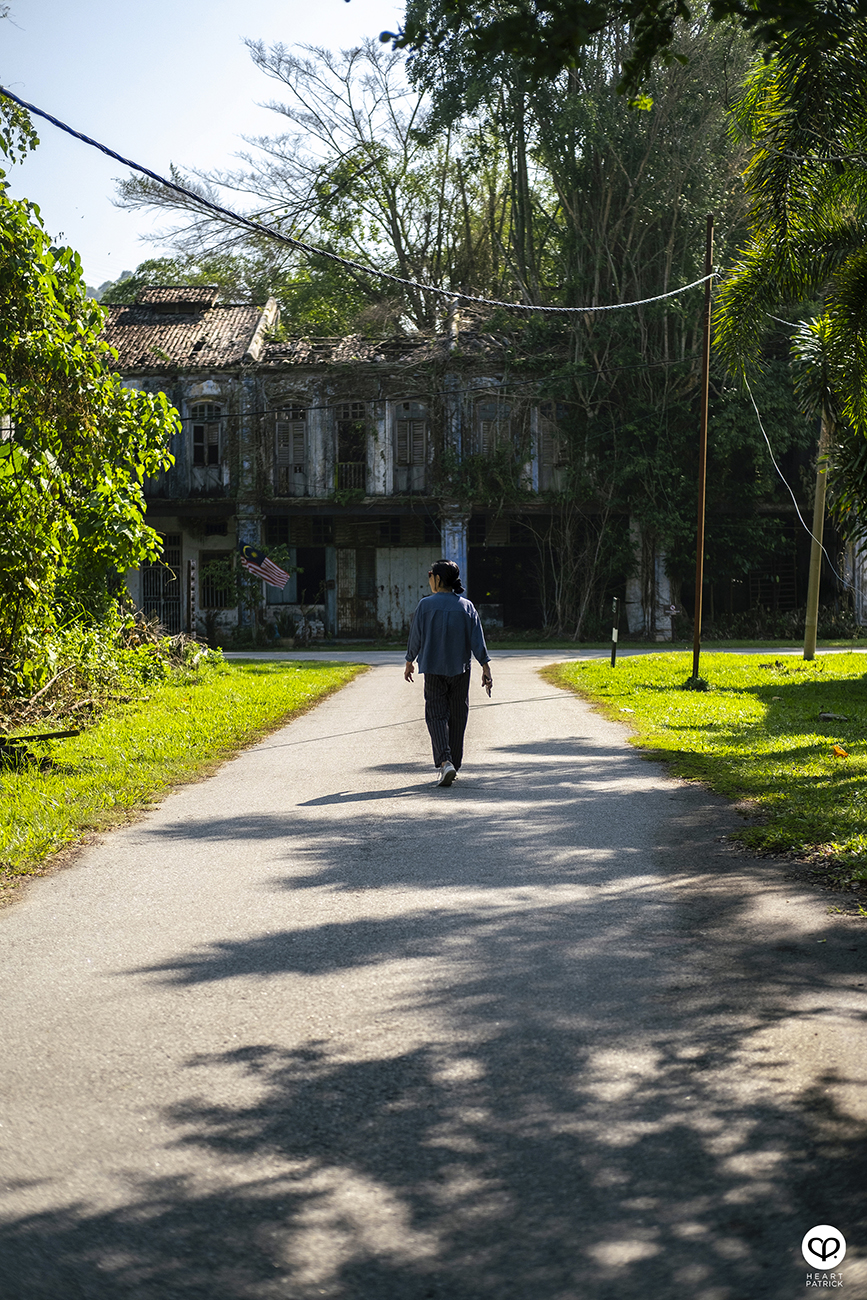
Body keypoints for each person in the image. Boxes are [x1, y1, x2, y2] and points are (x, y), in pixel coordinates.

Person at [404, 559, 493, 786]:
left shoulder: (425, 606)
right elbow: (477, 641)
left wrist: (409, 661)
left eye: (430, 575)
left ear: (438, 579)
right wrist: (485, 666)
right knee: (457, 714)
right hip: (460, 669)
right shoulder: (466, 606)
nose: (429, 579)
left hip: (433, 669)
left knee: (436, 715)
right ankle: (453, 762)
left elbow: (416, 637)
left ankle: (445, 762)